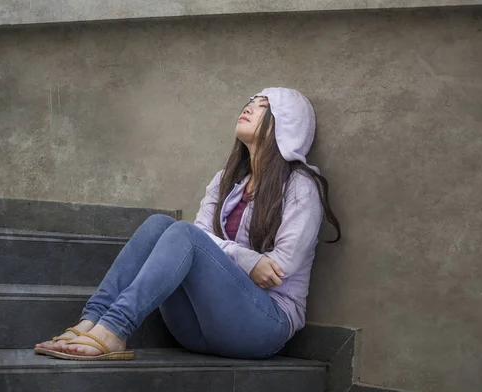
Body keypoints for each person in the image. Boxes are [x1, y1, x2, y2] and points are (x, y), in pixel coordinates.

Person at [34, 87, 341, 361]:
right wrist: (247, 259)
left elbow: (278, 270)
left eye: (262, 105)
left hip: (262, 327)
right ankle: (91, 320)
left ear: (286, 123)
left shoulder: (301, 186)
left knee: (181, 233)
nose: (247, 107)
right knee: (158, 225)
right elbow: (202, 236)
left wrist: (226, 255)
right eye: (249, 101)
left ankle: (114, 329)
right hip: (196, 328)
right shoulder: (226, 180)